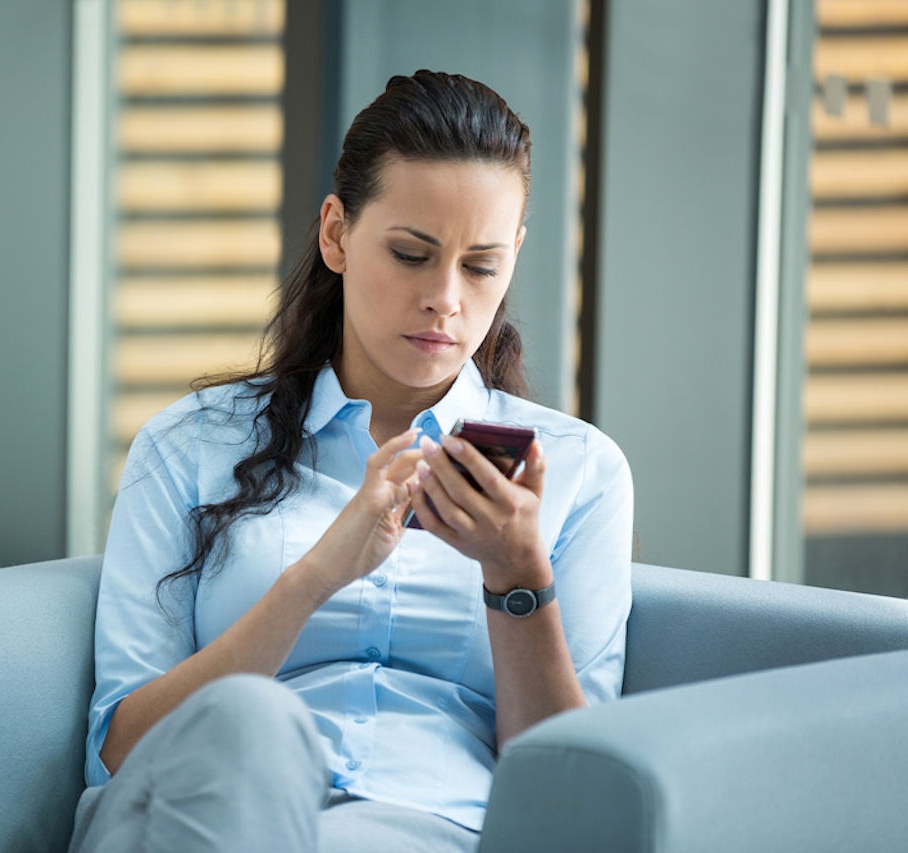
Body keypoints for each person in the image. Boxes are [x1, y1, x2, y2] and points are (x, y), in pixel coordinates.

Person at [70, 70, 633, 853]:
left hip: (431, 832)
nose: (445, 297)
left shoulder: (579, 470)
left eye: (481, 265)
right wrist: (316, 574)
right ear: (336, 233)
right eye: (411, 254)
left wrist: (517, 579)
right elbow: (122, 749)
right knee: (251, 718)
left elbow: (575, 795)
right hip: (202, 815)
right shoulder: (190, 445)